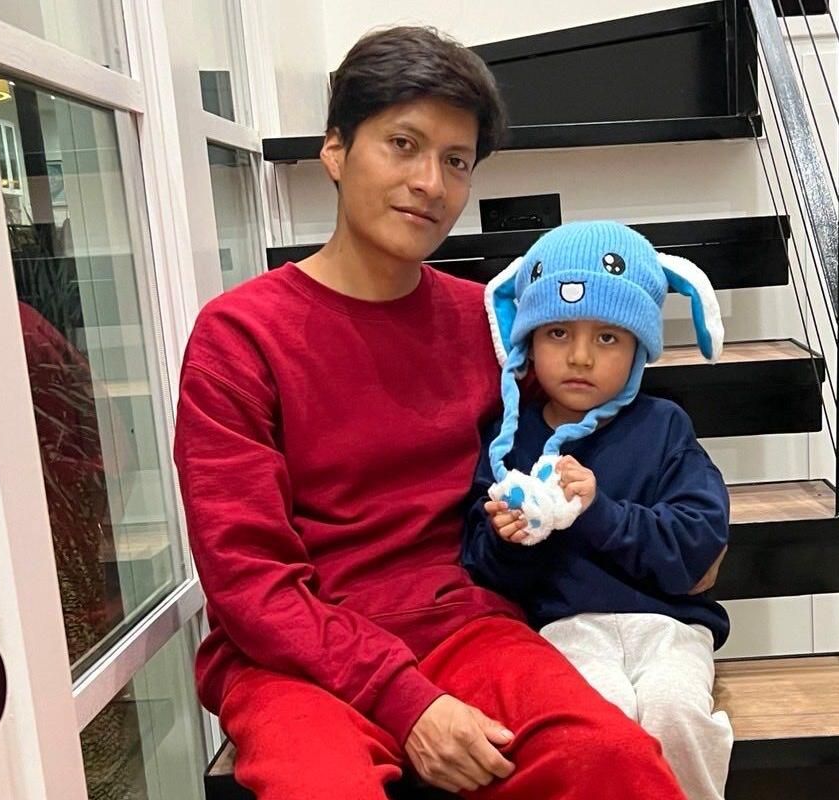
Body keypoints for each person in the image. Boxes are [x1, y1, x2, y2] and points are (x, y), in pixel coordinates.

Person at [172, 27, 687, 799]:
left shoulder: (489, 324)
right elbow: (249, 581)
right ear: (336, 149)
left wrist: (682, 532)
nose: (430, 182)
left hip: (463, 625)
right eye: (403, 145)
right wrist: (406, 700)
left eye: (456, 161)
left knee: (613, 760)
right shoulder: (239, 335)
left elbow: (597, 424)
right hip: (291, 653)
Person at [463, 221, 735, 800]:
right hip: (566, 629)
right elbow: (481, 569)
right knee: (597, 725)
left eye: (608, 337)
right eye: (558, 332)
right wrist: (510, 539)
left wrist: (598, 511)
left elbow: (698, 543)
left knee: (675, 713)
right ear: (527, 343)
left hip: (670, 628)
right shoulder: (507, 445)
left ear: (639, 348)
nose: (581, 356)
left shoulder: (665, 427)